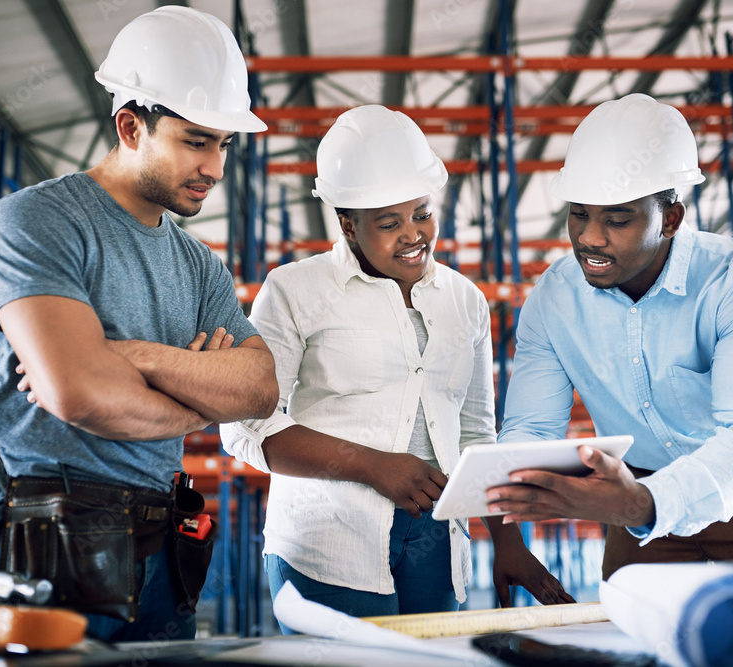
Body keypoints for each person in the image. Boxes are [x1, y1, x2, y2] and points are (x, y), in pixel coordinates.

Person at [0, 6, 278, 641]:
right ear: (131, 126)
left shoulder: (200, 267)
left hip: (161, 547)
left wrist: (140, 358)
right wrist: (198, 397)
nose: (215, 167)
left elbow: (260, 390)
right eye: (195, 140)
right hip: (43, 538)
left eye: (224, 144)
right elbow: (81, 393)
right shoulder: (35, 223)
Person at [220, 105, 571, 631]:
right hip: (329, 539)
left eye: (422, 213)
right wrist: (373, 466)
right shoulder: (296, 290)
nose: (413, 235)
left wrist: (507, 540)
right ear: (348, 226)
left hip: (436, 539)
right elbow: (247, 426)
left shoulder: (465, 300)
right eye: (389, 223)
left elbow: (476, 431)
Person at [486, 93, 733, 603]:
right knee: (635, 645)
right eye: (578, 215)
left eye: (617, 219)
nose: (589, 238)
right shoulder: (553, 300)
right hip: (634, 495)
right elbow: (529, 431)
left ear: (671, 217)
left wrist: (646, 502)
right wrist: (507, 537)